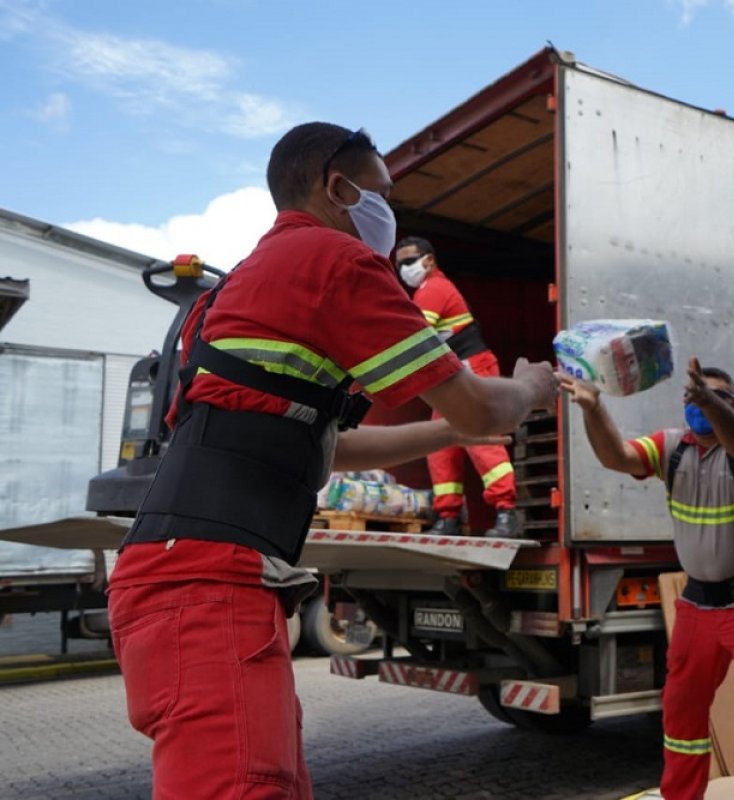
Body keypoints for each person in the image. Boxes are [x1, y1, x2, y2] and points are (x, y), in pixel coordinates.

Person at [105, 122, 557, 800]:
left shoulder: (246, 285)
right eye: (381, 191)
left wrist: (446, 435)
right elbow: (481, 409)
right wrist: (528, 390)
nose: (388, 212)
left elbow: (330, 447)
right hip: (208, 588)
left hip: (186, 576)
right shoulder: (334, 262)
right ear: (338, 187)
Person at [559, 357, 734, 799]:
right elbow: (617, 457)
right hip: (698, 604)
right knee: (681, 712)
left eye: (716, 398)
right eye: (694, 396)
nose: (701, 405)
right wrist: (593, 408)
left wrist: (714, 406)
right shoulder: (672, 448)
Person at [393, 235, 521, 538]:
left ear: (429, 260)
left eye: (410, 261)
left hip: (474, 369)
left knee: (481, 439)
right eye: (399, 264)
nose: (404, 268)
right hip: (453, 377)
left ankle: (507, 513)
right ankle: (448, 516)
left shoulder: (433, 289)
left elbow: (412, 339)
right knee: (440, 446)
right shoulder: (425, 291)